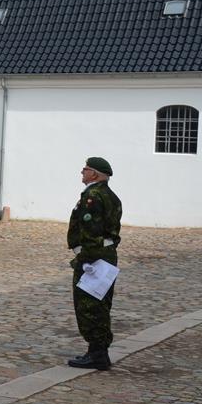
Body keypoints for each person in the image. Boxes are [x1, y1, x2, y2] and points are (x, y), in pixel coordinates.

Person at [67, 157, 123, 370]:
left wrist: (84, 257)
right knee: (100, 304)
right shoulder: (110, 196)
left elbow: (90, 230)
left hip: (94, 258)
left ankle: (97, 353)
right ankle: (97, 351)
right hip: (106, 255)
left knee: (89, 305)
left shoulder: (93, 196)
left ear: (96, 174)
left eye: (87, 169)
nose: (82, 171)